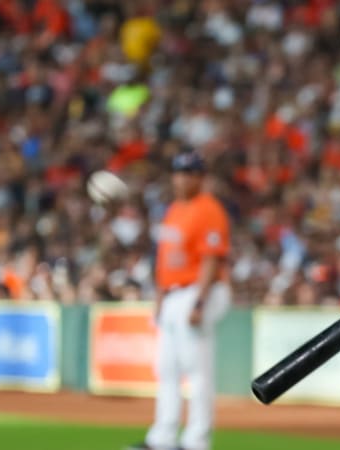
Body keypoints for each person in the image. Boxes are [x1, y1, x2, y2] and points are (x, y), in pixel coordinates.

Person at [131, 152, 232, 450]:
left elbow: (212, 259)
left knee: (197, 371)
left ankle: (196, 441)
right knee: (167, 369)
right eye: (179, 171)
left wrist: (199, 303)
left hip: (200, 291)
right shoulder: (174, 209)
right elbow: (165, 262)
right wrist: (160, 298)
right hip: (173, 294)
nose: (183, 177)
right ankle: (162, 438)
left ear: (201, 177)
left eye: (190, 172)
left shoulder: (209, 209)